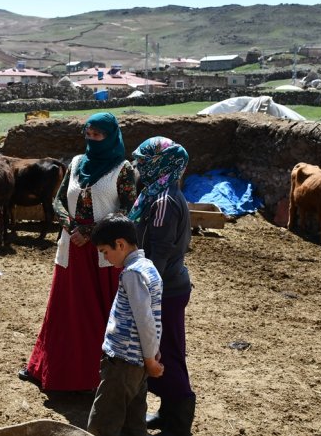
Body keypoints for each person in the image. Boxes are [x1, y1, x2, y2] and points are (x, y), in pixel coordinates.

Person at [19, 112, 136, 391]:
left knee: (99, 312)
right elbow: (59, 200)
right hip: (72, 248)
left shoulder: (123, 169)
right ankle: (53, 370)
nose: (92, 139)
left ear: (111, 136)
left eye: (98, 135)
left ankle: (97, 379)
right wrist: (71, 226)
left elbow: (129, 208)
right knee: (66, 311)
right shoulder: (75, 163)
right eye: (89, 134)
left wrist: (94, 231)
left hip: (104, 253)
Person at [129, 136, 195, 436]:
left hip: (165, 289)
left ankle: (178, 423)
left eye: (144, 162)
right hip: (169, 286)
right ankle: (169, 412)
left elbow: (160, 252)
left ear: (160, 164)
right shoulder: (158, 193)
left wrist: (145, 290)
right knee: (167, 350)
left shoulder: (163, 201)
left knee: (165, 352)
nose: (138, 166)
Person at [87, 213, 164, 436]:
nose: (105, 258)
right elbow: (155, 317)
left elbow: (145, 320)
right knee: (134, 422)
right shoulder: (148, 267)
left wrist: (150, 359)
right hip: (137, 362)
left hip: (123, 362)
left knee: (103, 423)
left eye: (105, 252)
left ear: (120, 244)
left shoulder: (132, 274)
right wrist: (152, 351)